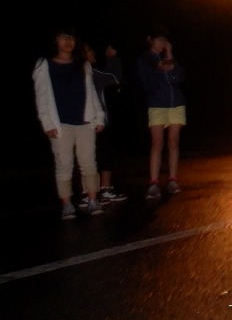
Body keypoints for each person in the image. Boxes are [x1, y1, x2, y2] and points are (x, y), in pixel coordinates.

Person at [32, 25, 106, 219]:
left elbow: (91, 92)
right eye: (63, 37)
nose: (67, 42)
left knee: (89, 162)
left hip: (85, 121)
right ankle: (67, 204)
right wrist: (47, 123)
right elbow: (41, 97)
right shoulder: (44, 65)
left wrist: (98, 116)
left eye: (71, 38)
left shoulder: (83, 64)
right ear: (55, 40)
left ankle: (92, 200)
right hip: (60, 124)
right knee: (64, 164)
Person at [136, 26, 187, 199]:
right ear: (150, 40)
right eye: (158, 40)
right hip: (156, 104)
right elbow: (145, 84)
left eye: (164, 40)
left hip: (176, 104)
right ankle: (154, 183)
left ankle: (172, 180)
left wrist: (170, 57)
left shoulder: (169, 58)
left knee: (173, 142)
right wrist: (159, 70)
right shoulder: (144, 59)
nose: (162, 43)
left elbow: (179, 78)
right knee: (157, 143)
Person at [78, 43, 128, 207]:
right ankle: (87, 192)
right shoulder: (82, 72)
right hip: (83, 121)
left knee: (106, 154)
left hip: (101, 120)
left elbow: (114, 79)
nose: (93, 52)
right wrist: (112, 58)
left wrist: (112, 59)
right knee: (88, 158)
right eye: (89, 50)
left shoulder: (95, 72)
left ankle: (104, 188)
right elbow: (115, 77)